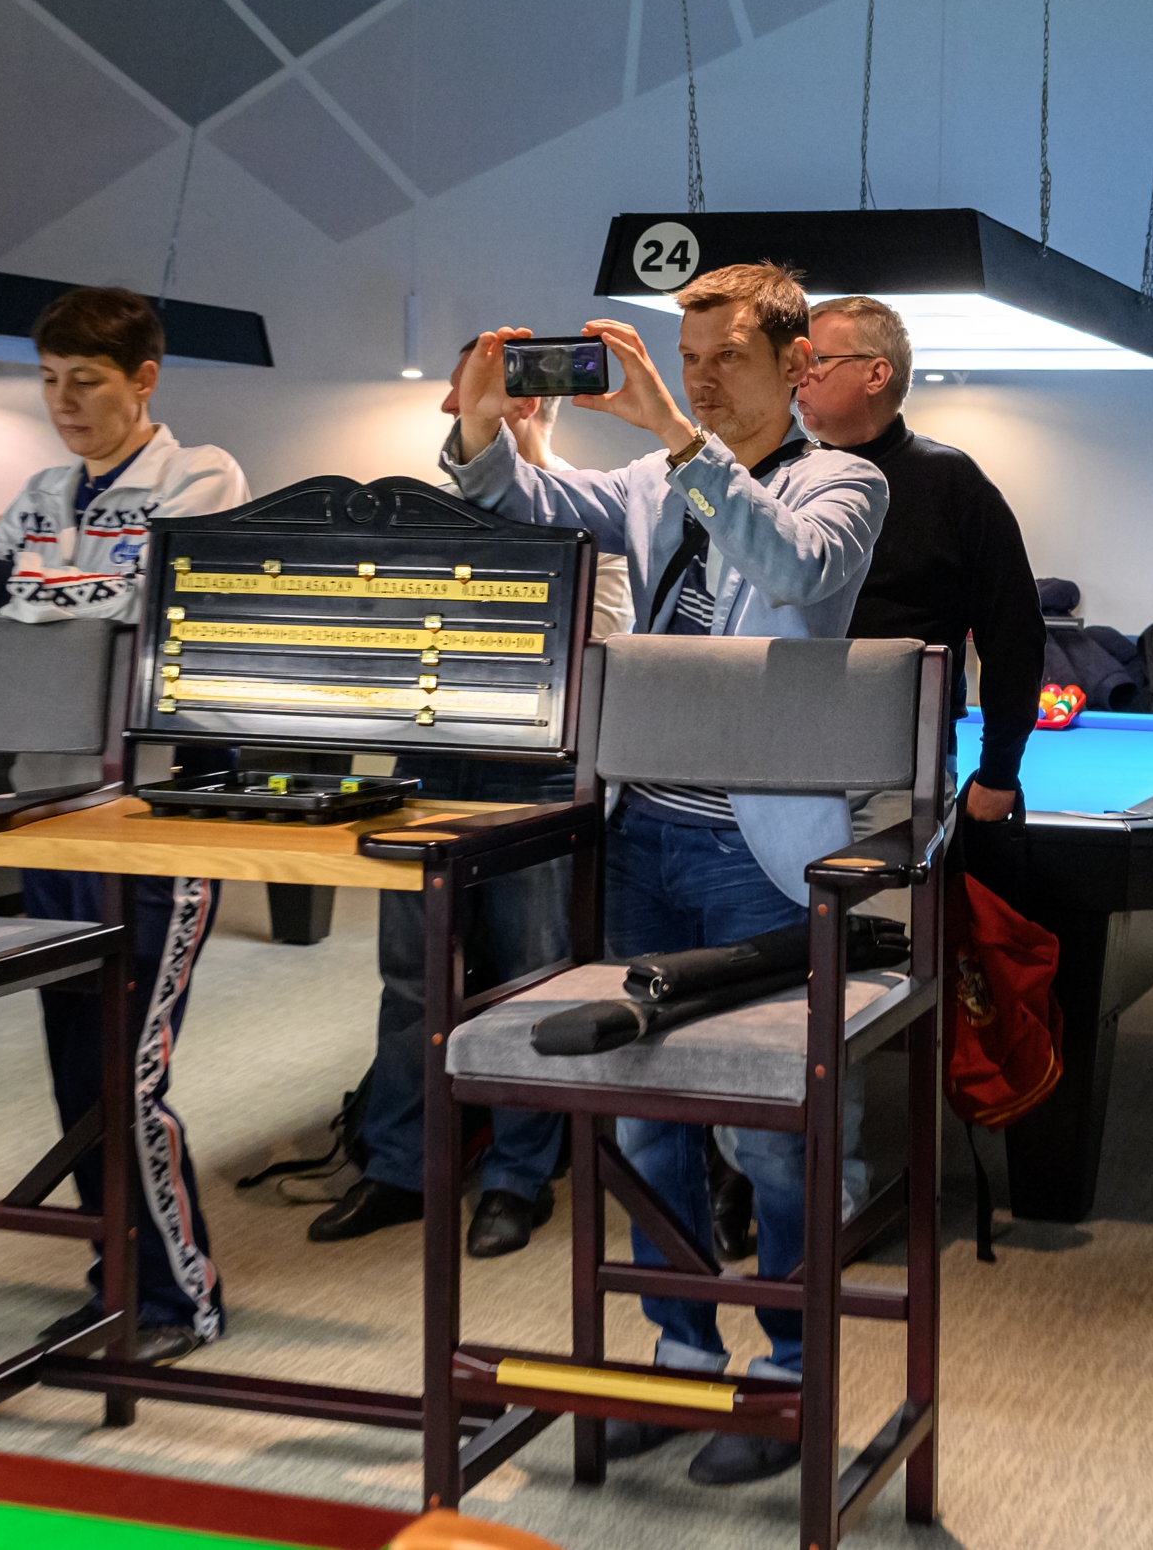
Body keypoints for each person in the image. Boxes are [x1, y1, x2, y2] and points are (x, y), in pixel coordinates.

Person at [443, 263, 889, 1487]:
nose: (700, 380)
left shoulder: (844, 482)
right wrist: (481, 428)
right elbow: (526, 506)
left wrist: (678, 439)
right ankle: (682, 1356)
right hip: (643, 836)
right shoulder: (651, 478)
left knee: (774, 1136)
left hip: (760, 853)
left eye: (726, 358)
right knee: (647, 1116)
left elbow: (791, 569)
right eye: (686, 361)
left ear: (797, 366)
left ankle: (789, 1378)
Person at [0, 286, 247, 1362]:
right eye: (50, 381)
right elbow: (3, 633)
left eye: (87, 381)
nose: (64, 401)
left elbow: (140, 598)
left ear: (144, 380)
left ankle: (176, 1300)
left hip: (161, 817)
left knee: (127, 1071)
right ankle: (115, 1278)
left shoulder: (204, 476)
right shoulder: (40, 494)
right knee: (78, 1067)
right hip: (49, 815)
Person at [309, 345, 634, 1259]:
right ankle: (401, 1166)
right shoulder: (418, 514)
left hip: (540, 772)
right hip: (430, 765)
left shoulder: (592, 509)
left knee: (535, 974)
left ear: (532, 404)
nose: (465, 407)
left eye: (486, 390)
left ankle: (517, 1178)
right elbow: (377, 644)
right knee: (415, 975)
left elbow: (599, 647)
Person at [796, 295, 1043, 821]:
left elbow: (1013, 632)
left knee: (881, 884)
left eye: (817, 360)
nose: (799, 376)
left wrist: (1000, 771)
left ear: (876, 374)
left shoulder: (953, 483)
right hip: (779, 752)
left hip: (901, 767)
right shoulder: (781, 478)